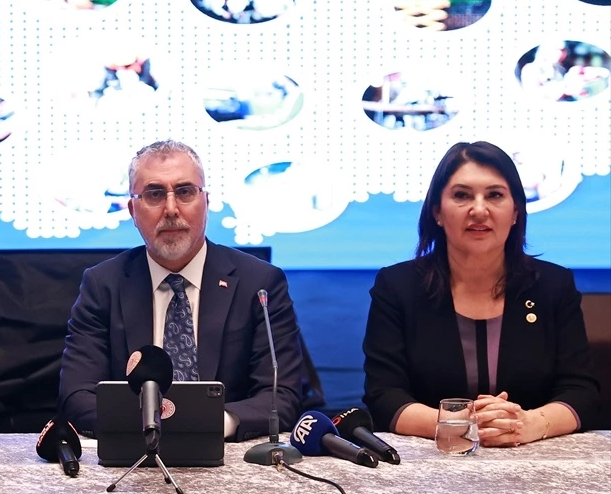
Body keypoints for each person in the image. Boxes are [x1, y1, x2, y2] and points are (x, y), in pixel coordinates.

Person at [59, 140, 306, 440]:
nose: (171, 209)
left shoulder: (260, 284)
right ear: (132, 210)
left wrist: (206, 424)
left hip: (226, 452)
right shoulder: (103, 285)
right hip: (134, 454)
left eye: (185, 192)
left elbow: (280, 396)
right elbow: (77, 396)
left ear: (206, 202)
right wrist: (148, 426)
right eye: (154, 194)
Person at [362, 141, 600, 445]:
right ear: (437, 211)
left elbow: (581, 392)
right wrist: (463, 423)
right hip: (435, 459)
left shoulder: (553, 285)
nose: (479, 209)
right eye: (462, 195)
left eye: (495, 195)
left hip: (531, 456)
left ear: (516, 212)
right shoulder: (397, 286)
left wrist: (529, 424)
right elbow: (384, 396)